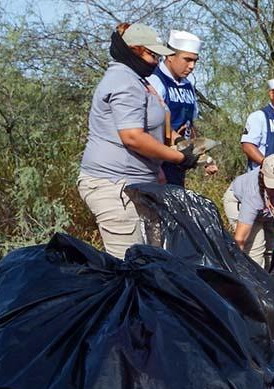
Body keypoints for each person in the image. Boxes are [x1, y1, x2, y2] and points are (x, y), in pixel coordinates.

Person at [78, 23, 198, 260]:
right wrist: (178, 158)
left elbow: (156, 125)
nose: (155, 61)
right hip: (115, 186)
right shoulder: (124, 81)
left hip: (140, 185)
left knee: (152, 261)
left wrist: (163, 166)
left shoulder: (139, 81)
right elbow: (132, 137)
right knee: (130, 266)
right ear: (134, 50)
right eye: (151, 54)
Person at [147, 30, 216, 185]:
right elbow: (151, 126)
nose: (192, 66)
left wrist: (204, 156)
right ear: (170, 56)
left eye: (195, 61)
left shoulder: (188, 85)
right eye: (187, 60)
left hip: (179, 163)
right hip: (158, 164)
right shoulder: (155, 81)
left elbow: (190, 125)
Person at [222, 154, 274, 269]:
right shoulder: (253, 193)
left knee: (271, 247)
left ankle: (269, 278)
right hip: (239, 202)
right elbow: (240, 238)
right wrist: (233, 265)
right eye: (272, 185)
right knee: (255, 248)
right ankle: (253, 282)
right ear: (262, 176)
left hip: (268, 211)